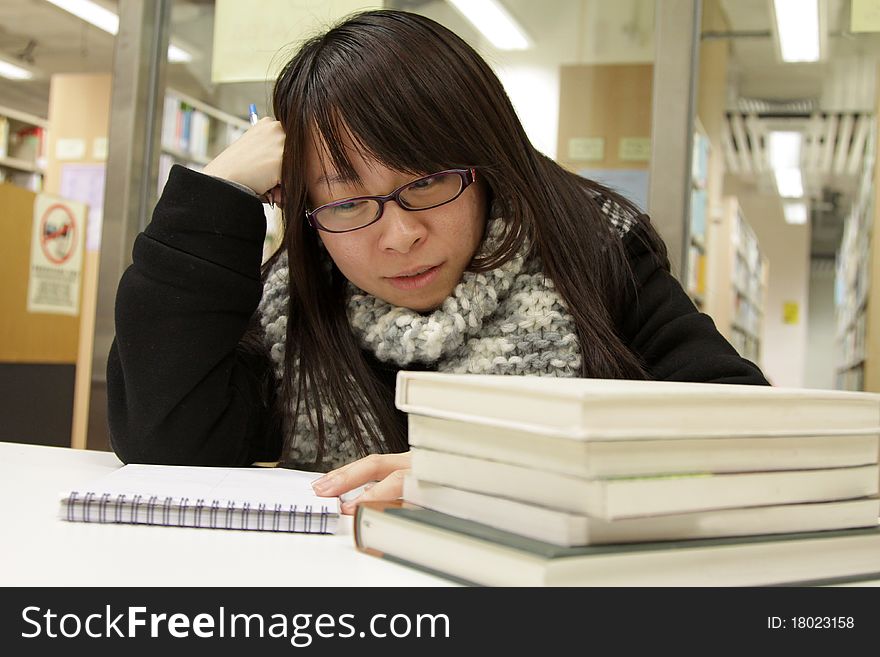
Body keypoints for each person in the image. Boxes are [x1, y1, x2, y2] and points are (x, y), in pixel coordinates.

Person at [107, 9, 768, 515]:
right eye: (345, 202)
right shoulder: (297, 301)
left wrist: (487, 480)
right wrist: (214, 194)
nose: (397, 235)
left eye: (426, 183)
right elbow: (165, 442)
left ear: (486, 166)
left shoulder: (593, 252)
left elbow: (747, 436)